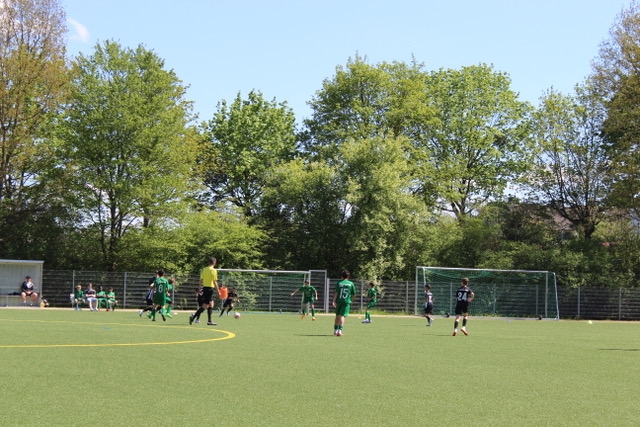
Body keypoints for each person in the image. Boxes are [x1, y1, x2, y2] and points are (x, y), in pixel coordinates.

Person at [189, 257, 218, 326]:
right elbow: (215, 281)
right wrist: (218, 291)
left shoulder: (204, 270)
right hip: (210, 288)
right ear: (214, 263)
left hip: (205, 288)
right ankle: (194, 317)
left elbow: (201, 280)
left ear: (209, 262)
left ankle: (209, 321)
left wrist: (199, 288)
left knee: (211, 304)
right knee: (205, 305)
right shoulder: (213, 270)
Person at [332, 270, 357, 336]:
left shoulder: (339, 283)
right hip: (346, 301)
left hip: (339, 301)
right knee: (342, 316)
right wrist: (351, 300)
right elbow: (354, 294)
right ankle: (340, 331)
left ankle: (335, 330)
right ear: (348, 276)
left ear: (342, 276)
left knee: (337, 315)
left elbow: (336, 292)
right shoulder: (351, 283)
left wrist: (334, 301)